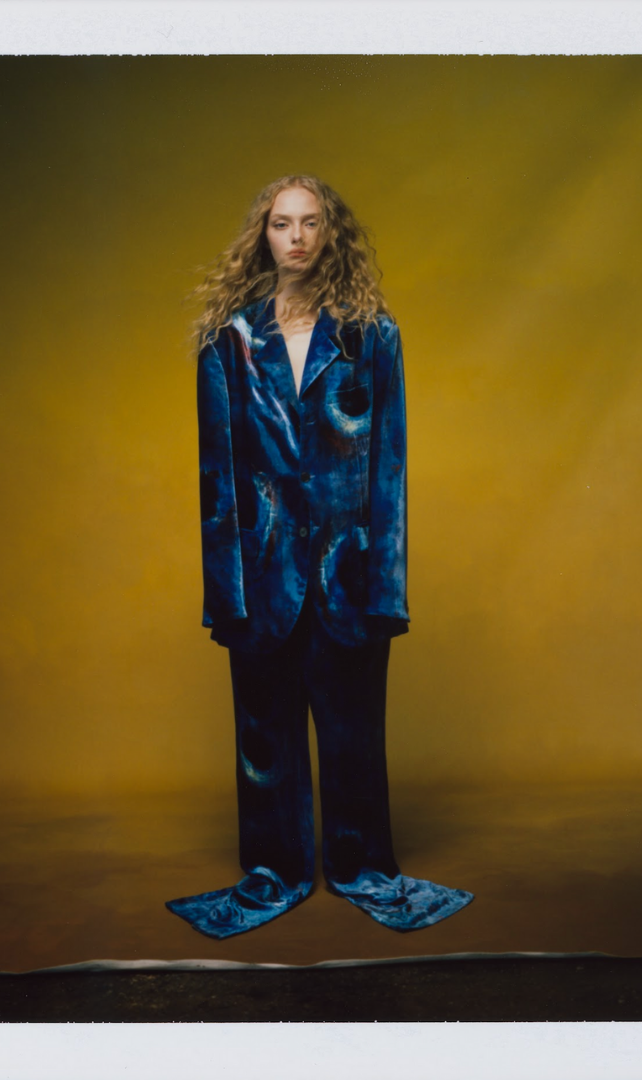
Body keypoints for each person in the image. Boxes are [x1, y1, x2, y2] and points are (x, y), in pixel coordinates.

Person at [166, 175, 473, 939]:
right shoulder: (230, 343)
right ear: (262, 235)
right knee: (263, 742)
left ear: (330, 233)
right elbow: (216, 480)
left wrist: (387, 592)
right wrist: (224, 595)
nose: (296, 237)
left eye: (309, 222)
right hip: (260, 576)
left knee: (353, 734)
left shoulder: (371, 337)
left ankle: (360, 865)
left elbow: (389, 471)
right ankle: (275, 868)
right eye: (281, 223)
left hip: (350, 573)